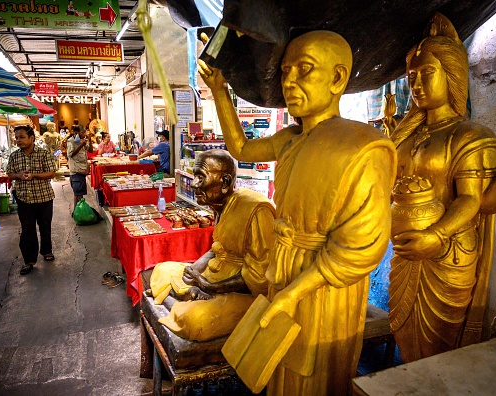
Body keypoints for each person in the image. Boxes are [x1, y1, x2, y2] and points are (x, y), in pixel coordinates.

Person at [199, 30, 396, 395]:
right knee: (278, 363)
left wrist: (293, 293)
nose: (289, 81)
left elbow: (360, 247)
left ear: (337, 78)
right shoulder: (292, 138)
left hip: (324, 282)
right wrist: (218, 90)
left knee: (315, 373)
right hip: (284, 266)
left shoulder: (361, 147)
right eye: (286, 71)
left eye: (304, 70)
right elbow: (240, 148)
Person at [387, 13, 496, 362]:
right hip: (406, 251)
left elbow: (475, 200)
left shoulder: (470, 136)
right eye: (411, 77)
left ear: (451, 76)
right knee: (403, 333)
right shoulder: (405, 137)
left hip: (447, 252)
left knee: (440, 351)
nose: (417, 84)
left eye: (426, 74)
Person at [148, 149, 276, 341]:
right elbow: (217, 249)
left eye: (201, 177)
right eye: (194, 176)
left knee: (194, 320)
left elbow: (260, 278)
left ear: (224, 182)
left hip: (242, 291)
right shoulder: (223, 206)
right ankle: (187, 294)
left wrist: (210, 287)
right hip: (213, 275)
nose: (194, 184)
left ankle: (186, 297)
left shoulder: (256, 210)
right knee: (162, 270)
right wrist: (193, 271)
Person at [6, 125, 56, 275]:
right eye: (17, 138)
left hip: (44, 197)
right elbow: (10, 173)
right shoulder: (14, 156)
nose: (18, 141)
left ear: (31, 138)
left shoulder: (43, 153)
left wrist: (34, 175)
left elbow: (52, 173)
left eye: (22, 137)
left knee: (45, 226)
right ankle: (29, 260)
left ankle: (47, 251)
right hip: (24, 198)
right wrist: (19, 175)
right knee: (27, 230)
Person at [67, 125, 93, 210]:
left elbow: (90, 150)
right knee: (78, 194)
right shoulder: (71, 141)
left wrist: (89, 140)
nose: (84, 134)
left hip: (82, 170)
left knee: (77, 193)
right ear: (76, 132)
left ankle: (76, 212)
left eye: (85, 132)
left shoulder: (81, 140)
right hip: (76, 171)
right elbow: (70, 154)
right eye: (82, 132)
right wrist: (81, 145)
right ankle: (80, 212)